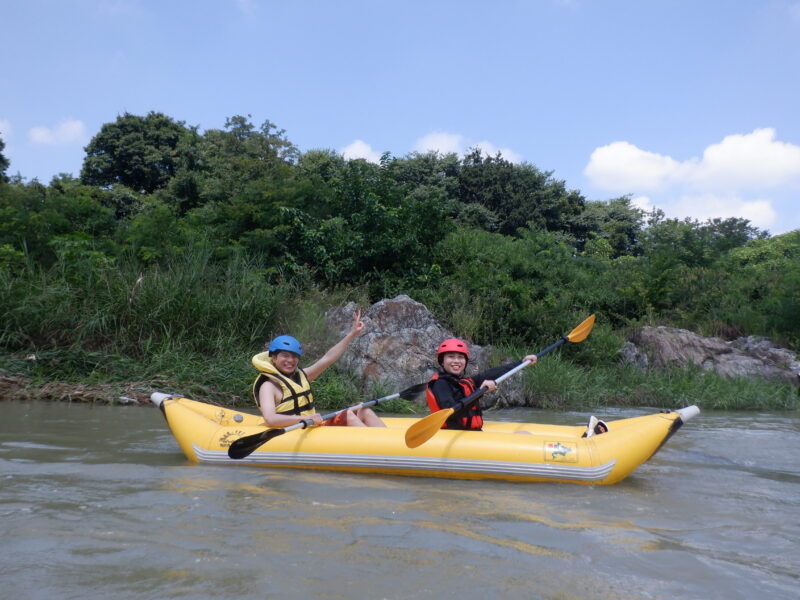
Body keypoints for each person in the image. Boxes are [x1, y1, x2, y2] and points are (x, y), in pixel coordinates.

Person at [253, 310, 385, 428]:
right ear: (274, 358)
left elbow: (328, 358)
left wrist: (352, 334)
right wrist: (305, 418)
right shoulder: (268, 386)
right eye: (285, 356)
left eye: (294, 356)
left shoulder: (302, 376)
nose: (290, 360)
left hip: (311, 427)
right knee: (349, 416)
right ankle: (381, 450)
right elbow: (270, 419)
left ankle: (391, 445)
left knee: (362, 409)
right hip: (294, 431)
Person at [427, 338, 538, 431]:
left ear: (465, 362)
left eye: (460, 357)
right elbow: (451, 413)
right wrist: (479, 393)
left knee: (523, 432)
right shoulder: (440, 384)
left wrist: (521, 363)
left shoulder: (463, 382)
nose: (456, 361)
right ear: (442, 361)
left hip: (469, 433)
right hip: (454, 434)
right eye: (451, 357)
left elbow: (491, 373)